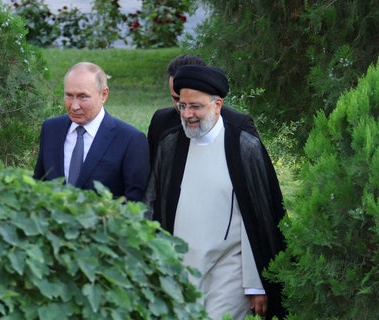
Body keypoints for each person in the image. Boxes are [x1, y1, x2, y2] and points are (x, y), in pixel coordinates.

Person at [145, 65, 286, 319]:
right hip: (180, 269)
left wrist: (255, 284)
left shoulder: (243, 146)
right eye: (183, 106)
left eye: (196, 106)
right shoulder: (170, 144)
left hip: (228, 271)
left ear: (217, 105)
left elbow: (259, 218)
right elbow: (153, 204)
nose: (187, 114)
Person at [33, 62, 150, 202]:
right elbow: (39, 184)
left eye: (83, 97)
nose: (74, 106)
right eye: (69, 95)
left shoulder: (130, 140)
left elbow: (134, 203)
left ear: (104, 95)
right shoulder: (51, 129)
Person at [147, 54, 259, 165]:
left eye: (194, 104)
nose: (185, 111)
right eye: (177, 99)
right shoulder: (161, 121)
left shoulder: (239, 125)